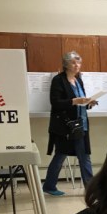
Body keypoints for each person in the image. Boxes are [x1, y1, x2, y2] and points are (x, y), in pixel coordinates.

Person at [43, 51, 98, 196]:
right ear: (66, 64)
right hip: (65, 126)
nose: (77, 65)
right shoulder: (58, 80)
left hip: (81, 124)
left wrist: (88, 103)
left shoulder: (78, 80)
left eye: (79, 62)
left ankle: (89, 189)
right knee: (61, 154)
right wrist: (74, 101)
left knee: (83, 155)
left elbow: (82, 101)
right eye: (73, 62)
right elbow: (55, 103)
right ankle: (50, 185)